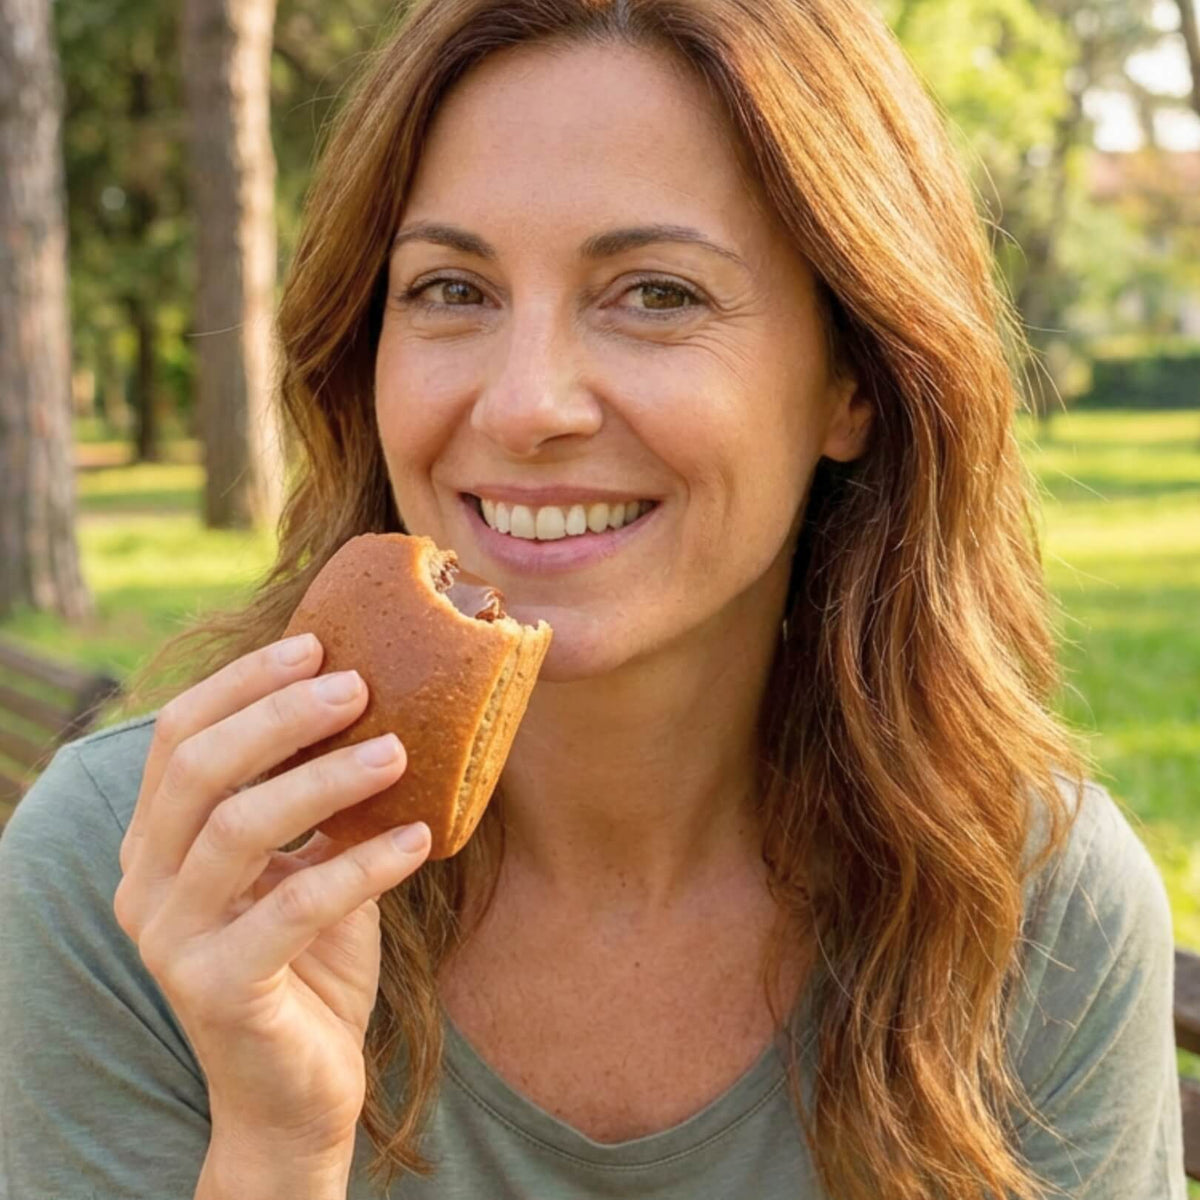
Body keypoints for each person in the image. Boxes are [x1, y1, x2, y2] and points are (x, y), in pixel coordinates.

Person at [0, 0, 1186, 1197]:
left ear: (854, 380)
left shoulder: (1032, 914)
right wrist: (276, 1144)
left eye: (656, 294)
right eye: (452, 289)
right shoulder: (137, 882)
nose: (525, 406)